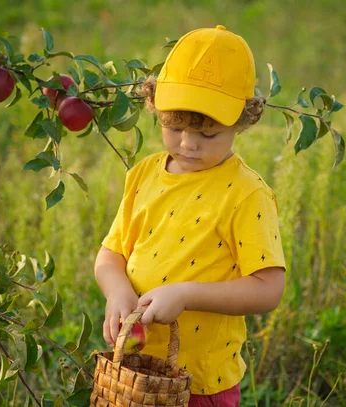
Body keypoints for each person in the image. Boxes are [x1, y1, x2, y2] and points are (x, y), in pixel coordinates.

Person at [94, 25, 286, 406]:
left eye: (209, 133)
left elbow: (269, 288)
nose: (188, 143)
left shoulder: (247, 194)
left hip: (201, 383)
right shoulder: (145, 174)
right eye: (174, 126)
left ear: (242, 120)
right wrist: (116, 289)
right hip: (132, 371)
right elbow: (110, 254)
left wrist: (186, 294)